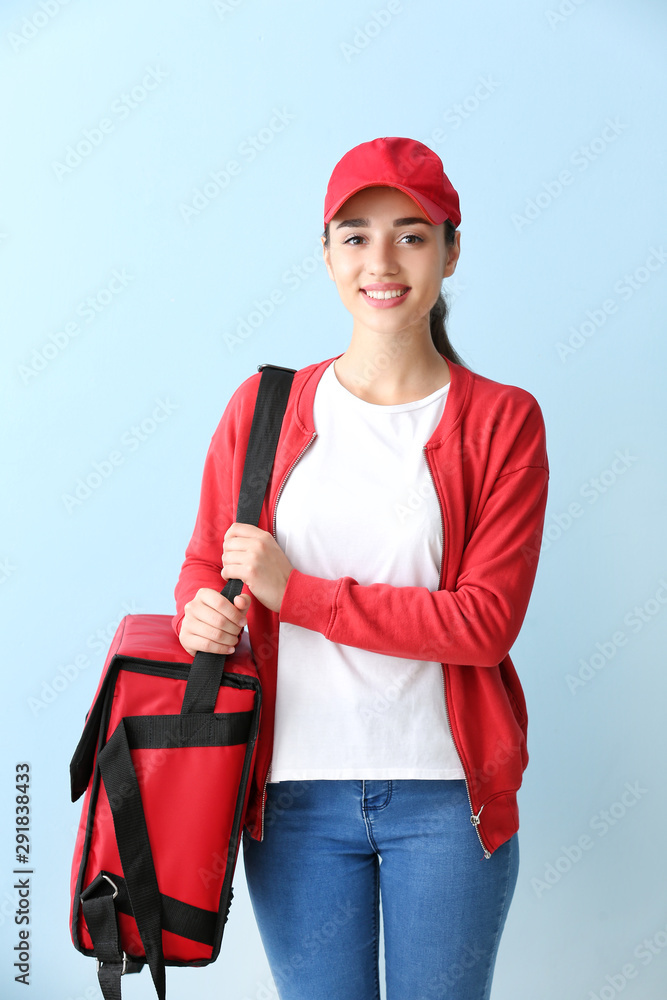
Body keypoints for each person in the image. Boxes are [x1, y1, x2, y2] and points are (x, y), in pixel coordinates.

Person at [172, 136, 550, 1000]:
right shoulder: (264, 405)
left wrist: (292, 593)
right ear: (326, 253)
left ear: (451, 249)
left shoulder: (502, 421)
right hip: (292, 798)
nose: (381, 260)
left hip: (448, 804)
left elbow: (482, 623)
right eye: (355, 235)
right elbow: (209, 562)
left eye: (410, 235)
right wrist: (202, 607)